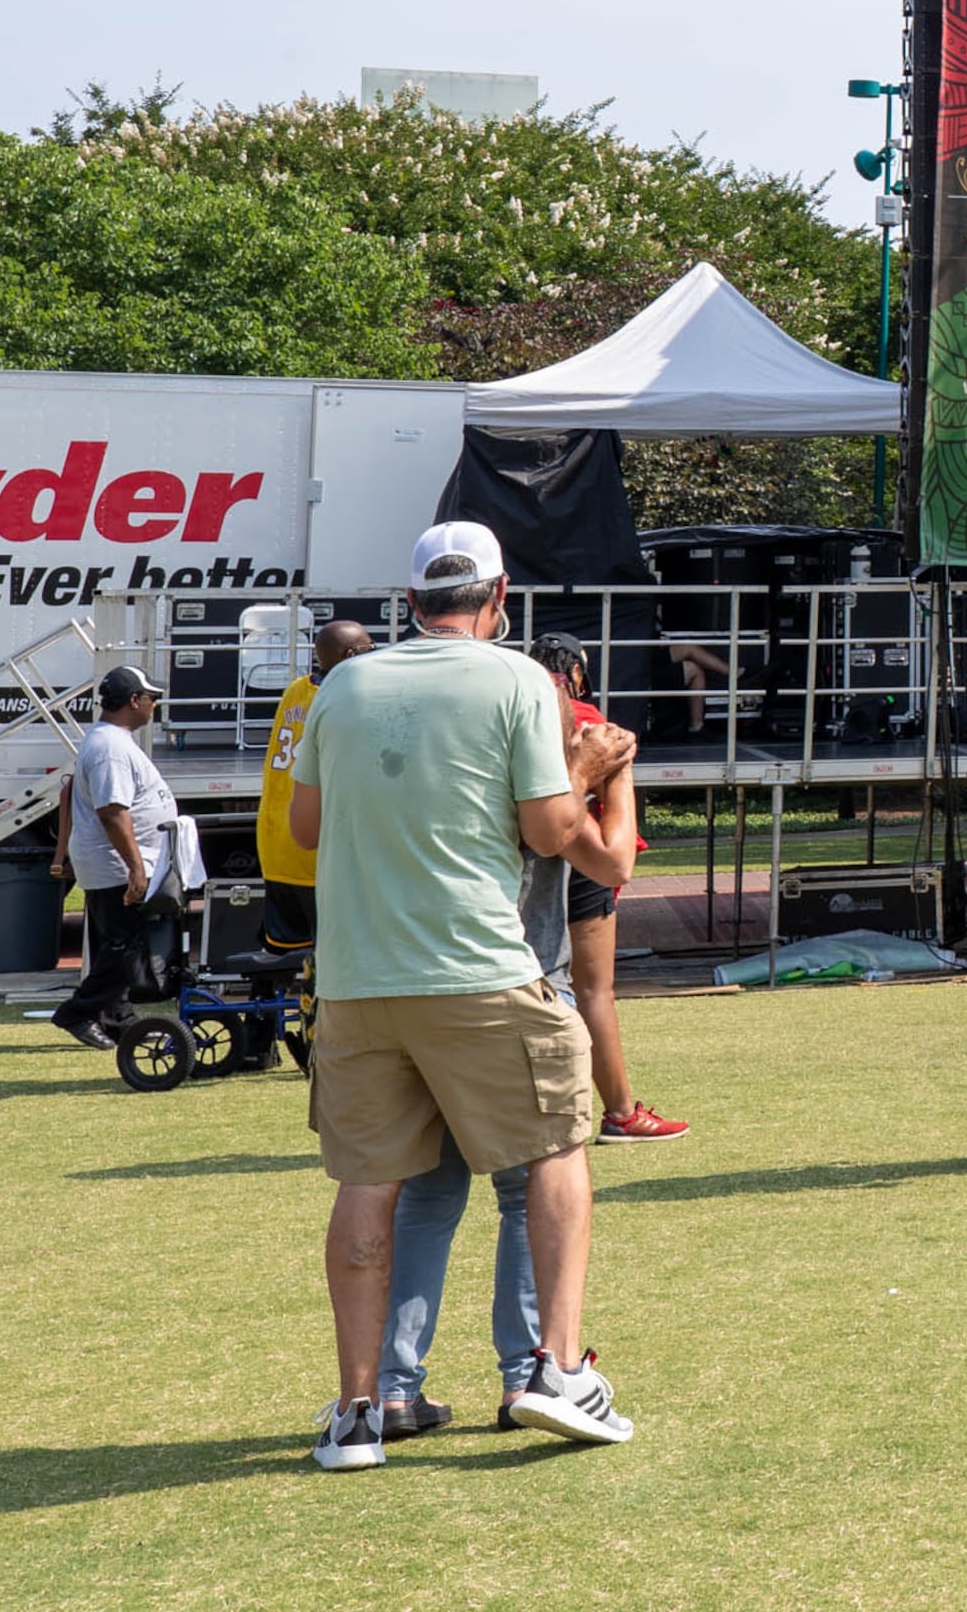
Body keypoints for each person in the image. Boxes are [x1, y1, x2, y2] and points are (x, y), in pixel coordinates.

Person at [288, 521, 641, 1469]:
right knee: (555, 1154)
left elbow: (308, 824)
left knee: (374, 1188)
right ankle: (554, 1370)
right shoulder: (520, 677)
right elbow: (549, 827)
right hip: (483, 967)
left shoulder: (345, 683)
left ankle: (361, 1409)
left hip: (360, 979)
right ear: (499, 597)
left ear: (409, 603)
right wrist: (594, 772)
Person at [381, 678, 640, 1439]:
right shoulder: (551, 797)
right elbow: (613, 863)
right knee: (532, 1195)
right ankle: (528, 1374)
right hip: (522, 993)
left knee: (427, 1199)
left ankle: (395, 1386)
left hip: (427, 990)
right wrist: (611, 784)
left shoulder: (447, 776)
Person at [523, 638, 684, 1144]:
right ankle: (617, 1111)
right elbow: (617, 856)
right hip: (585, 850)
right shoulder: (586, 715)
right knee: (591, 990)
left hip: (527, 853)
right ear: (574, 672)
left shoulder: (513, 709)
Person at [51, 666, 187, 1046]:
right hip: (115, 866)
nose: (154, 705)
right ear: (133, 701)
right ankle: (76, 1013)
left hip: (111, 863)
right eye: (151, 698)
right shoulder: (110, 748)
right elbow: (112, 811)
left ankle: (118, 1019)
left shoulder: (111, 740)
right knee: (128, 947)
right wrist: (136, 868)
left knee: (116, 943)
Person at [255, 621, 378, 964]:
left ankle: (280, 1017)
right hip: (314, 849)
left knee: (289, 958)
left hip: (276, 842)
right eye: (370, 648)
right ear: (350, 655)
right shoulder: (345, 697)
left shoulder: (296, 689)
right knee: (337, 957)